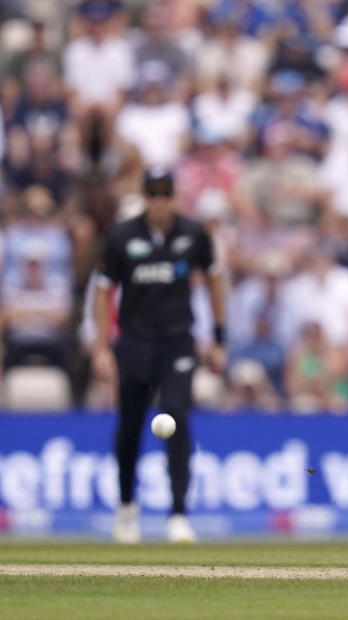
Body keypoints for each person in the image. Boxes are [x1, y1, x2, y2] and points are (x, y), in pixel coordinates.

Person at [92, 168, 227, 544]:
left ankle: (179, 514)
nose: (159, 201)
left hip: (177, 342)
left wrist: (218, 339)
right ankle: (125, 509)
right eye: (153, 194)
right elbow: (103, 291)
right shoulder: (122, 237)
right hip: (134, 341)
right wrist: (103, 347)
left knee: (178, 415)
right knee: (130, 427)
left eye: (165, 193)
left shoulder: (194, 233)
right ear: (145, 197)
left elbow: (216, 280)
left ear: (174, 196)